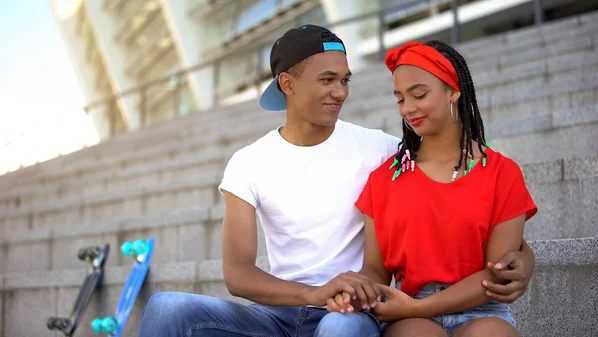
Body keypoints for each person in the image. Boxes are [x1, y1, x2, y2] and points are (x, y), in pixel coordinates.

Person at [137, 26, 536, 337]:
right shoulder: (247, 163)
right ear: (287, 85)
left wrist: (524, 256)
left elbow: (450, 197)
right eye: (327, 80)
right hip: (277, 315)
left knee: (340, 327)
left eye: (345, 80)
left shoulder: (383, 151)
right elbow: (238, 274)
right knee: (166, 309)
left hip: (352, 310)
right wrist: (312, 294)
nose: (340, 92)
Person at [326, 40, 538, 337]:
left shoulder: (503, 173)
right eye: (400, 99)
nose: (408, 108)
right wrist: (359, 288)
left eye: (419, 94)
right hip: (408, 311)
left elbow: (496, 275)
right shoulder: (384, 179)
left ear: (453, 90)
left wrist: (416, 308)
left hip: (482, 307)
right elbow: (375, 268)